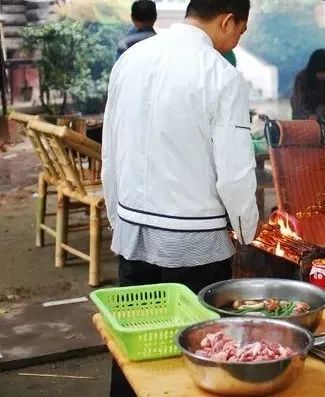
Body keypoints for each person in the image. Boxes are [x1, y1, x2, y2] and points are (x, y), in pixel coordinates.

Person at [102, 1, 257, 396]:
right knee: (199, 349)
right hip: (197, 243)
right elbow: (236, 172)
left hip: (134, 230)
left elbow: (111, 146)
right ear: (227, 20)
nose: (239, 38)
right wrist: (245, 230)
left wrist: (118, 219)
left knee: (133, 343)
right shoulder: (222, 75)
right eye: (241, 29)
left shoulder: (131, 59)